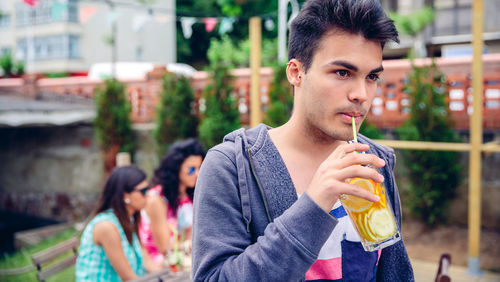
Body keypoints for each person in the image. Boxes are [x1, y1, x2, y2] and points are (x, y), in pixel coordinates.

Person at [192, 0, 414, 281]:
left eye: (372, 76)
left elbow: (393, 273)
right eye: (342, 72)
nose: (362, 94)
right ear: (296, 72)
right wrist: (314, 204)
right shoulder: (232, 167)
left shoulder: (373, 162)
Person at [76, 165, 161, 281]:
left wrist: (167, 274)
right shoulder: (106, 227)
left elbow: (146, 261)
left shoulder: (129, 219)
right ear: (125, 195)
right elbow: (128, 277)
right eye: (143, 191)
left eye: (148, 189)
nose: (148, 195)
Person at [139, 139, 205, 266]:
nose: (197, 174)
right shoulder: (156, 199)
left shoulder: (189, 197)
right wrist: (191, 246)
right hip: (156, 265)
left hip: (180, 261)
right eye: (191, 170)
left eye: (200, 169)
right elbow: (165, 248)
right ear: (176, 168)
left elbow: (189, 236)